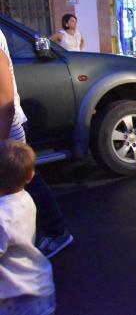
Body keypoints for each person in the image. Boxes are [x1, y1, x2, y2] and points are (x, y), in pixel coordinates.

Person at [1, 29, 73, 258]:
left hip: (8, 129)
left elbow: (5, 102)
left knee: (24, 178)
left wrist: (2, 145)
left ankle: (55, 231)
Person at [0, 140, 56, 315]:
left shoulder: (2, 218)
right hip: (39, 284)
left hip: (20, 296)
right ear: (30, 176)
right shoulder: (25, 198)